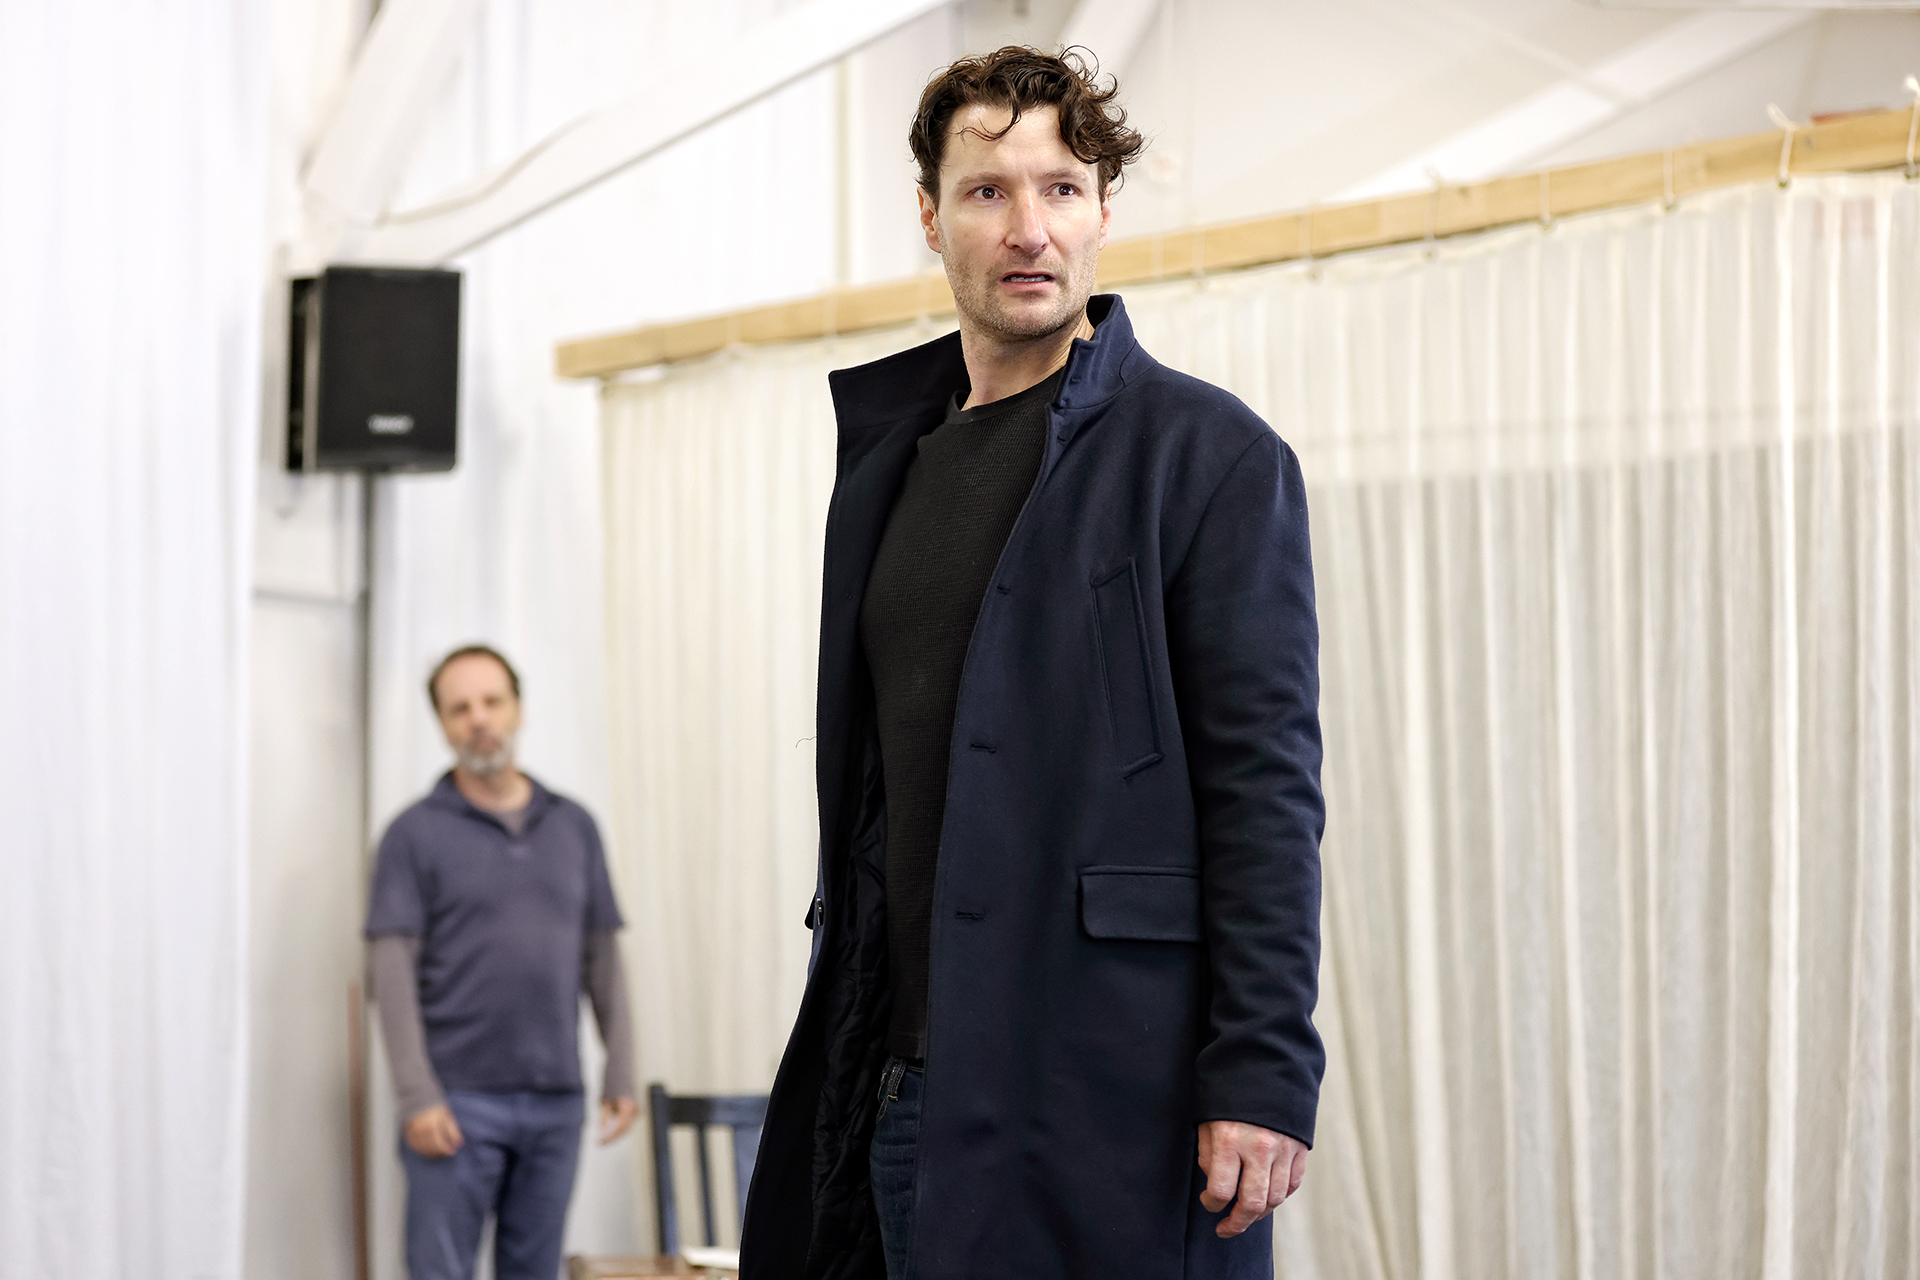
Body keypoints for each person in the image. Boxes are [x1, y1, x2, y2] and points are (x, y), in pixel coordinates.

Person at [741, 44, 1325, 1280]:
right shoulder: (887, 467)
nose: (1029, 228)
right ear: (930, 217)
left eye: (1061, 188)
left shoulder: (1210, 458)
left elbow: (1265, 793)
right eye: (988, 191)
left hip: (1108, 1098)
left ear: (1104, 209)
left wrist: (1264, 1069)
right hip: (896, 1090)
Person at [365, 644, 638, 1280]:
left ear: (519, 709)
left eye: (492, 701)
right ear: (442, 725)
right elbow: (391, 973)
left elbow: (603, 954)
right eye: (460, 709)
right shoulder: (412, 835)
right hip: (454, 1104)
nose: (479, 719)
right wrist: (416, 1097)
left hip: (556, 1102)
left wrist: (620, 1072)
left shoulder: (574, 826)